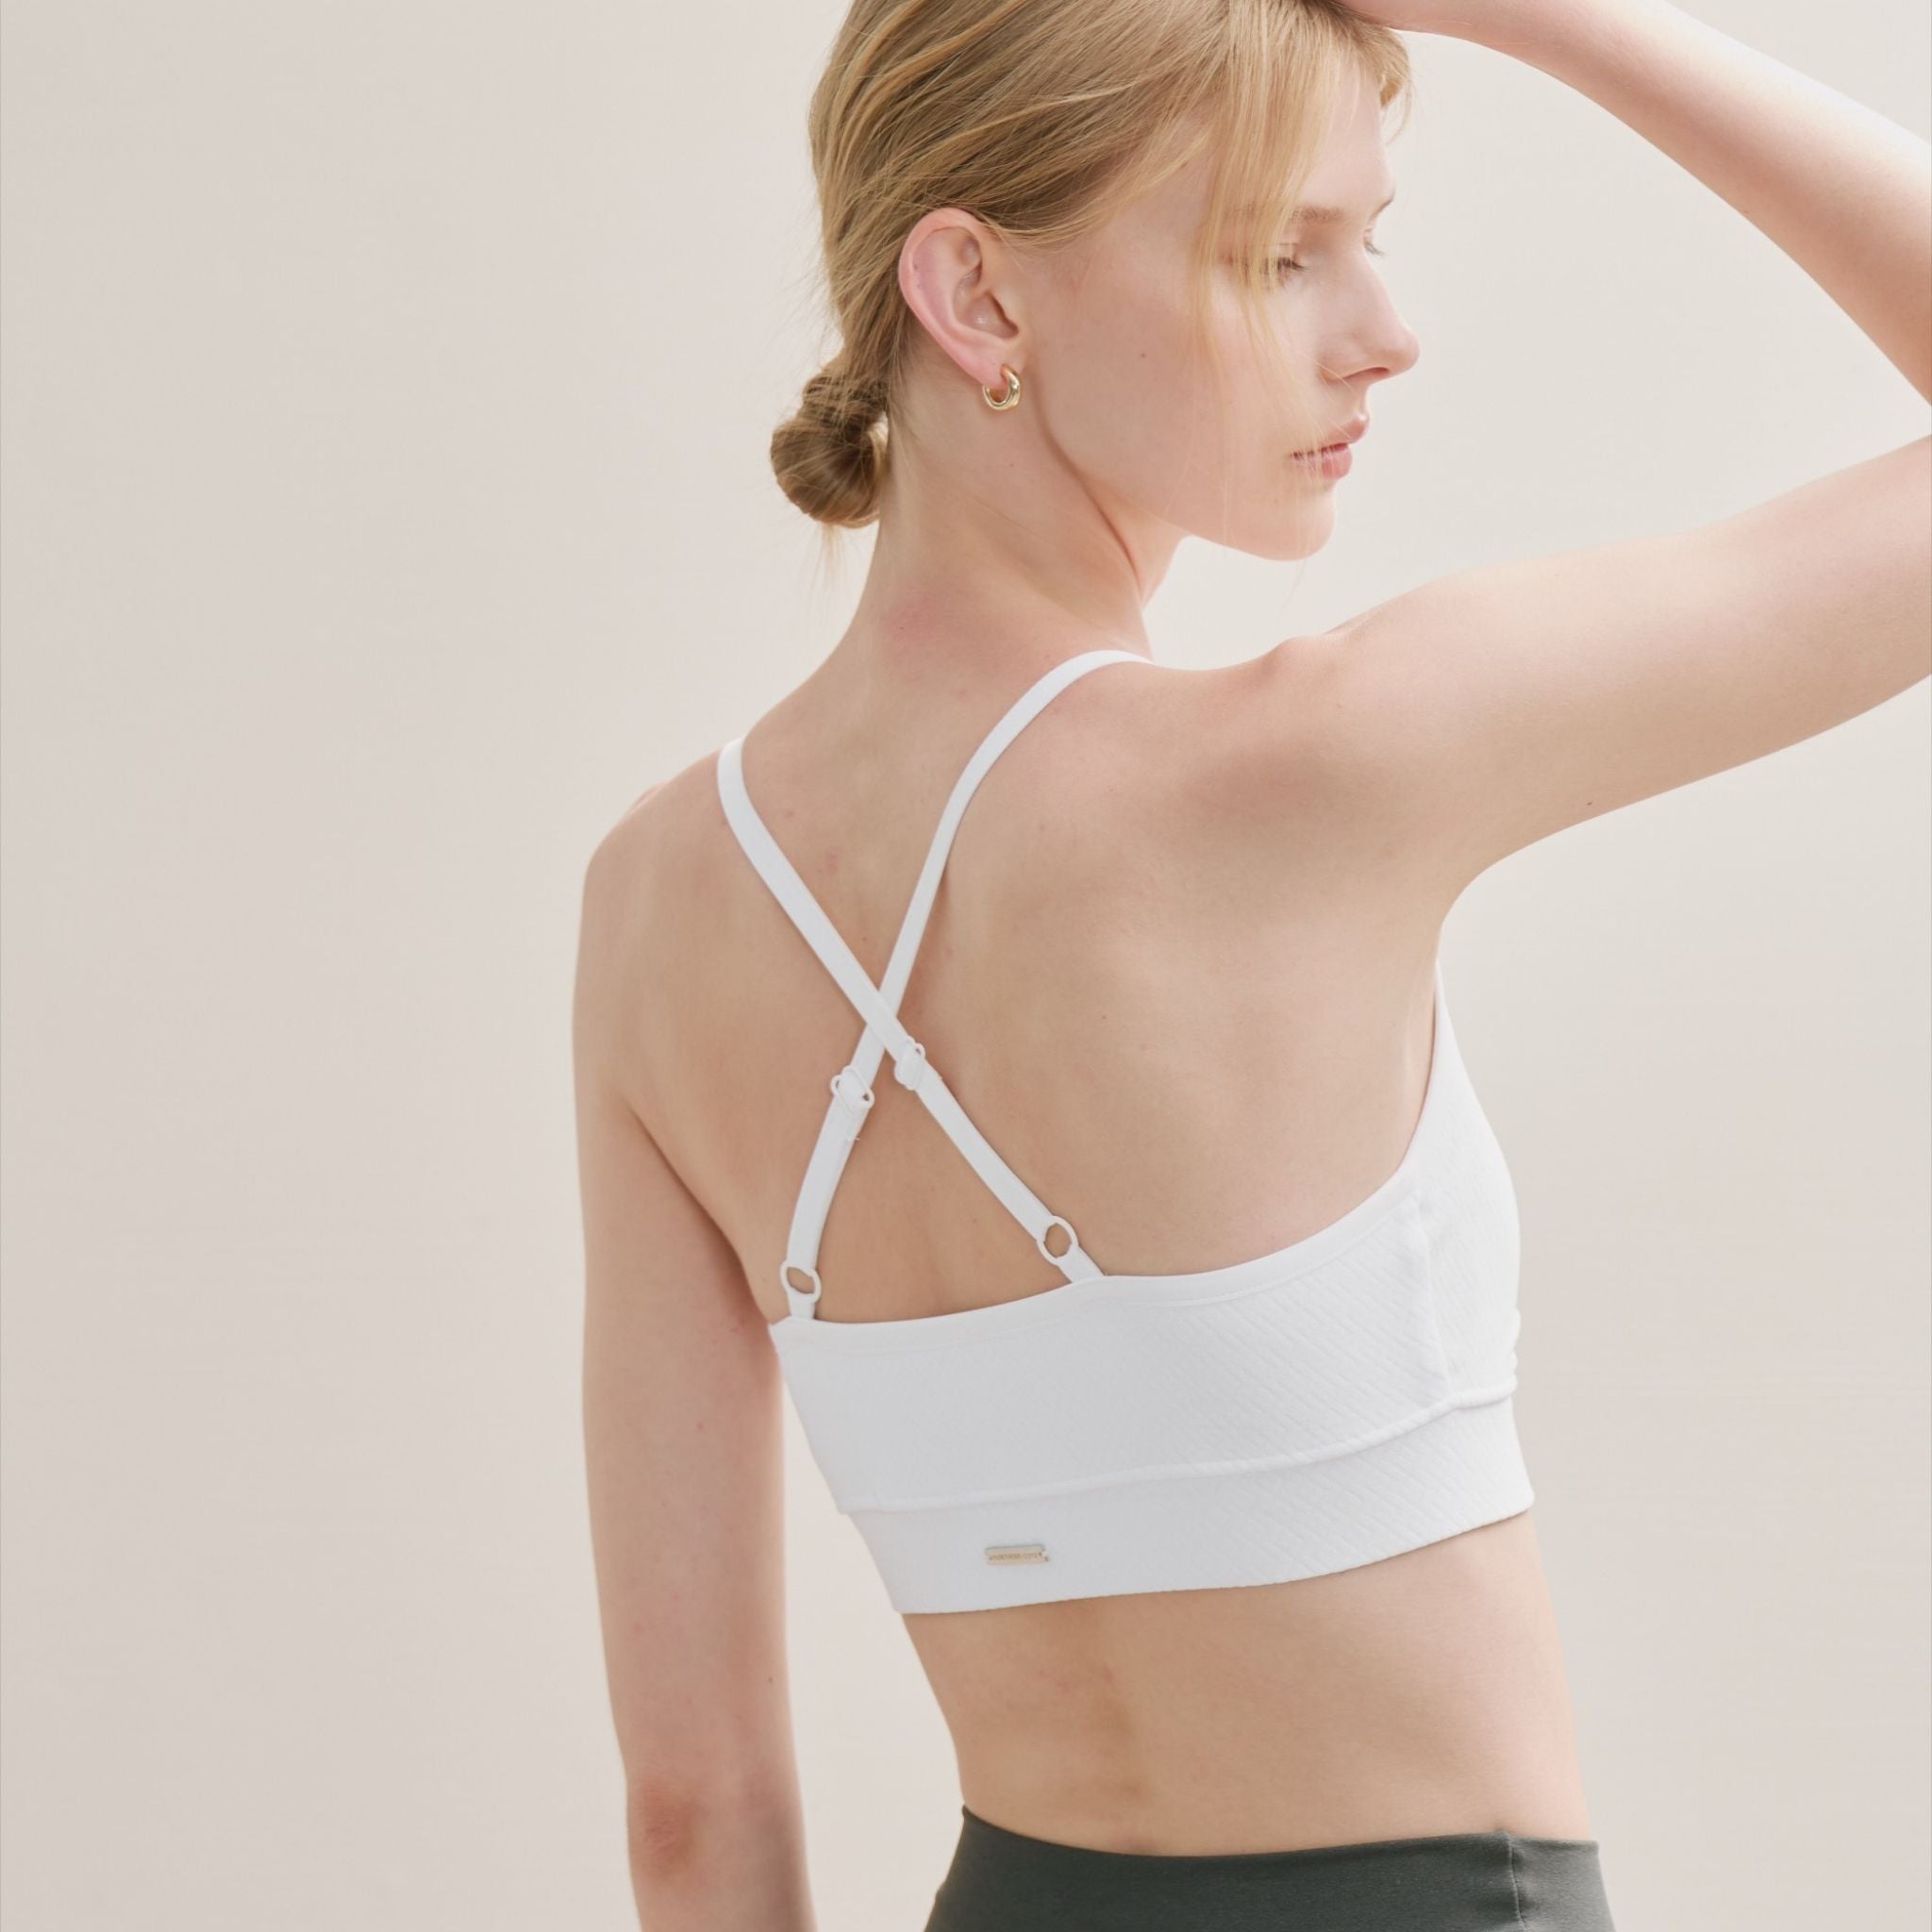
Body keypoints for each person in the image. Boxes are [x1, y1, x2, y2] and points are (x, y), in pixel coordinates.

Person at [574, 0, 1930, 1924]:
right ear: (974, 293)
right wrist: (1554, 18)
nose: (1381, 327)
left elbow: (693, 1808)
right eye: (1280, 253)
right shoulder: (1331, 761)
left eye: (1372, 237)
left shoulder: (653, 904)